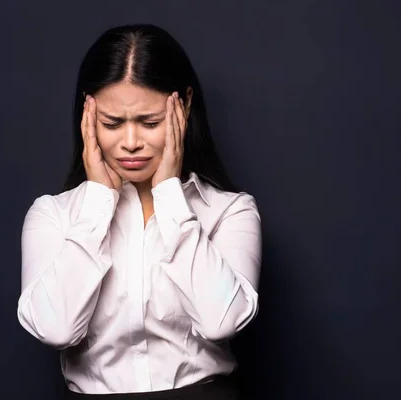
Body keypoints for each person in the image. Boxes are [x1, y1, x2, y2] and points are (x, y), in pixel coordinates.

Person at [16, 24, 262, 399]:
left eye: (150, 123)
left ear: (184, 105)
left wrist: (168, 193)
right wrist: (98, 200)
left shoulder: (229, 212)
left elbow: (221, 323)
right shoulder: (54, 215)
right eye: (112, 123)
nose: (131, 143)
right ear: (88, 113)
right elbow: (56, 329)